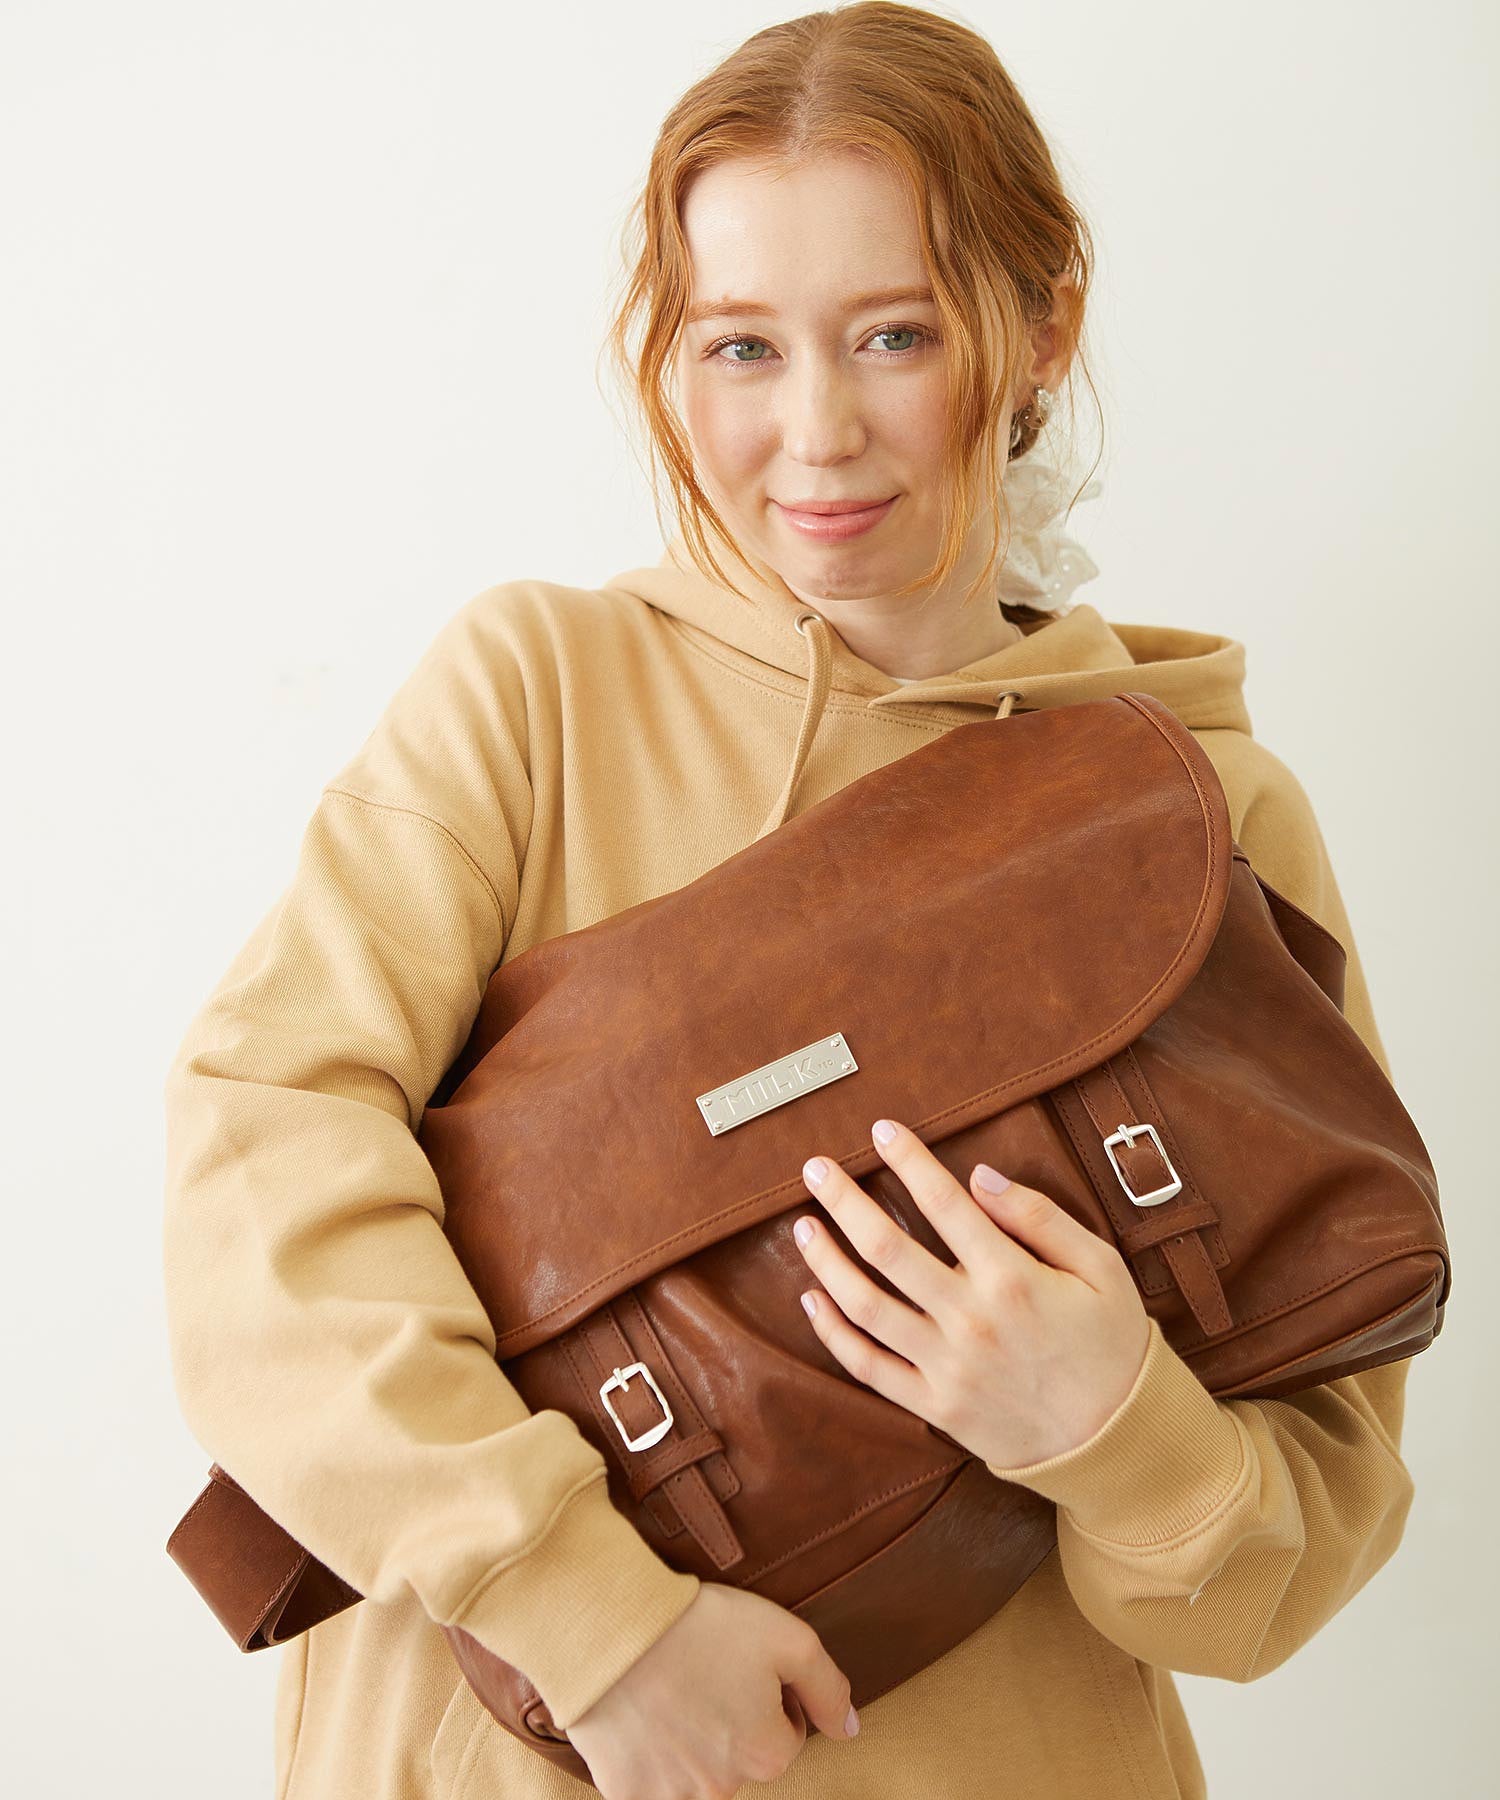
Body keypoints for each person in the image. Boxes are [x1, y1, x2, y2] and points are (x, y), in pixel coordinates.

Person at [161, 6, 1419, 1797]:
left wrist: (1108, 1422)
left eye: (895, 334)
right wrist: (597, 1625)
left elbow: (1307, 1529)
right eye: (741, 346)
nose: (814, 433)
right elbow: (260, 1170)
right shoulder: (538, 693)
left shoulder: (1202, 811)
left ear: (1041, 327)